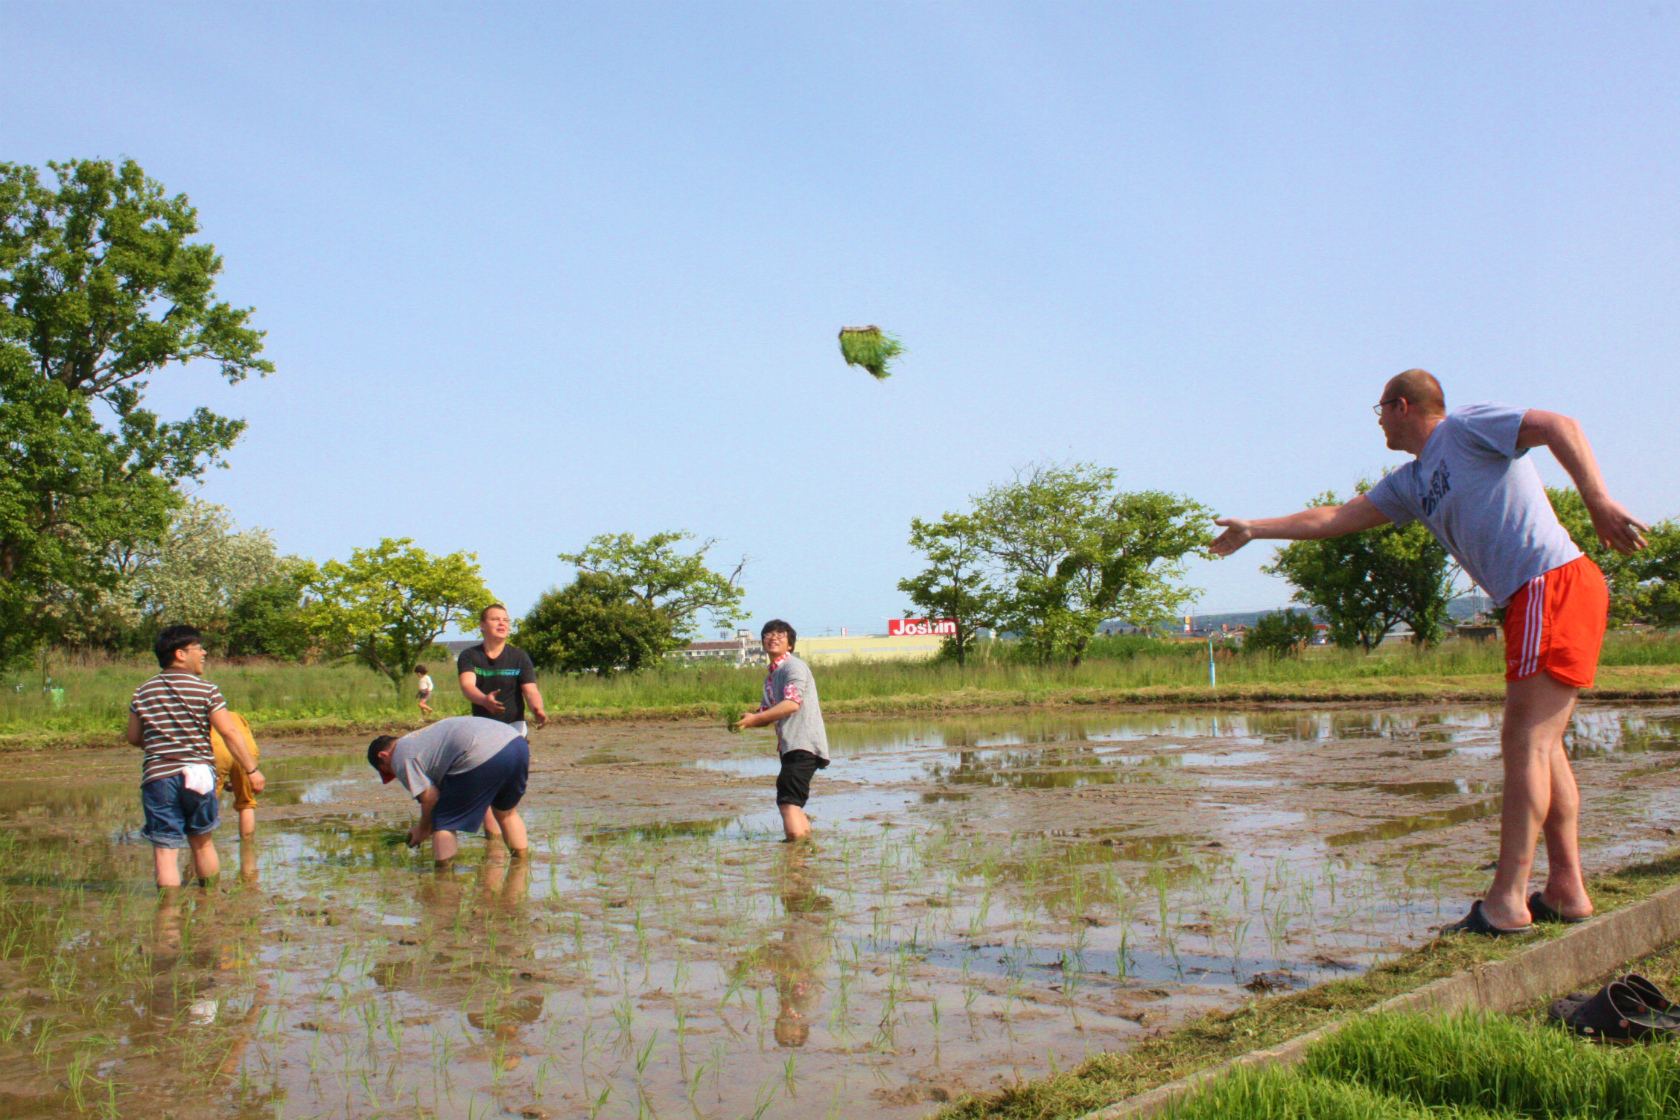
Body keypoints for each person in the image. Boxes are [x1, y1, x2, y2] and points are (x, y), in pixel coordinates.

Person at [1210, 369, 1647, 936]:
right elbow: (1334, 519)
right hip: (1526, 598)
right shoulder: (1412, 481)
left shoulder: (1468, 428)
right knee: (1545, 747)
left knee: (1525, 742)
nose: (1378, 424)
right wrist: (1255, 527)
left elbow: (1560, 426)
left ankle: (1507, 901)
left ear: (1402, 405)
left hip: (1552, 582)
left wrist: (1597, 500)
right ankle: (1566, 888)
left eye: (1380, 412)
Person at [126, 624, 265, 888]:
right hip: (200, 775)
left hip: (159, 777)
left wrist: (163, 745)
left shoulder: (142, 692)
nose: (204, 653)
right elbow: (229, 732)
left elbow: (134, 737)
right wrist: (251, 770)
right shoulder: (207, 690)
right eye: (199, 648)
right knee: (202, 844)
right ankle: (209, 902)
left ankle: (167, 919)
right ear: (180, 653)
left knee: (166, 852)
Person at [367, 715, 530, 864]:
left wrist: (423, 829)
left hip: (481, 751)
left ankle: (444, 880)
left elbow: (431, 799)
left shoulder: (400, 757)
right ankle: (521, 866)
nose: (395, 773)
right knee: (507, 814)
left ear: (383, 755)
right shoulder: (418, 739)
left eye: (388, 771)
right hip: (516, 743)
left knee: (443, 821)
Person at [733, 620, 830, 842]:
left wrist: (757, 718)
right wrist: (747, 720)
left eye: (780, 634)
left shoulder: (793, 666)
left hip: (802, 744)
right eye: (768, 634)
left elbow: (791, 704)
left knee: (787, 801)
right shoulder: (771, 676)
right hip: (790, 747)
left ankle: (794, 856)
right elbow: (766, 714)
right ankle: (805, 847)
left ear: (790, 645)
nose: (772, 637)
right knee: (792, 802)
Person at [456, 604, 547, 839]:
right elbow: (467, 686)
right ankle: (493, 842)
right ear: (482, 626)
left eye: (505, 619)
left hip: (514, 730)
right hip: (483, 732)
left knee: (507, 791)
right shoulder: (470, 656)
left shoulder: (519, 656)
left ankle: (505, 836)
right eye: (495, 619)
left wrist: (538, 708)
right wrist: (483, 700)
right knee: (485, 788)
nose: (502, 623)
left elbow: (531, 690)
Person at [209, 710, 261, 837]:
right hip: (244, 748)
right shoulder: (235, 715)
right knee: (246, 802)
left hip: (216, 750)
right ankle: (248, 847)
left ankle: (201, 849)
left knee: (205, 804)